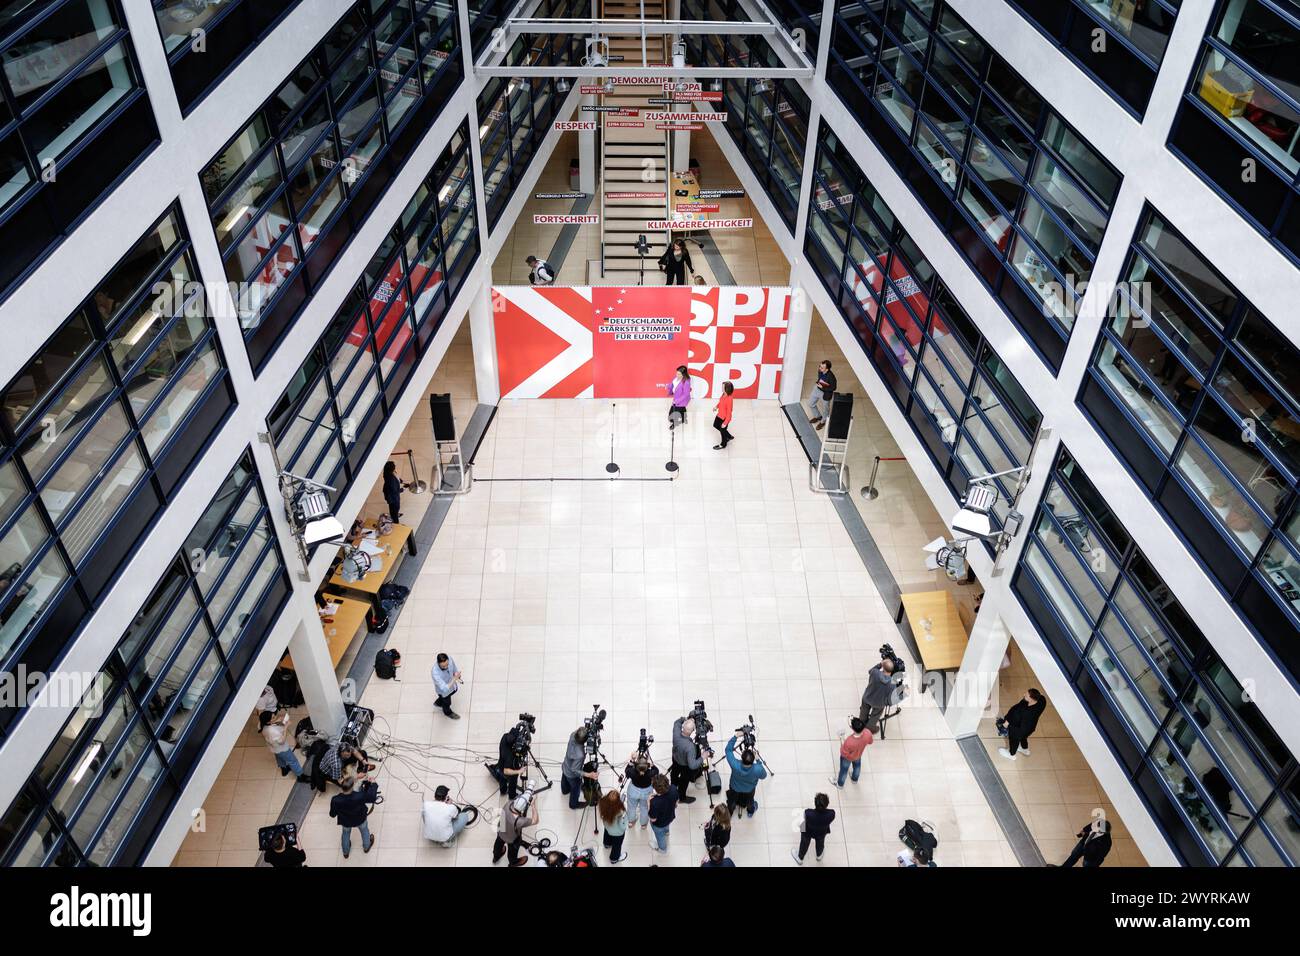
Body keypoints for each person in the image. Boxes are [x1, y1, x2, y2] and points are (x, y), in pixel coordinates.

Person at [328, 772, 377, 858]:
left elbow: (332, 814)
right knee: (364, 831)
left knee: (345, 834)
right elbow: (372, 797)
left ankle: (346, 852)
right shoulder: (360, 796)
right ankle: (366, 846)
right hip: (360, 819)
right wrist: (373, 784)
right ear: (352, 786)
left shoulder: (335, 799)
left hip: (345, 821)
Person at [724, 734, 768, 817]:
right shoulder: (757, 769)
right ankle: (750, 811)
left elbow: (728, 750)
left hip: (734, 787)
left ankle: (729, 813)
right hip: (749, 789)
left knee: (731, 801)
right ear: (752, 760)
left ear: (741, 758)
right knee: (750, 801)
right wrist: (758, 761)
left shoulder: (735, 764)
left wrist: (735, 736)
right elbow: (764, 776)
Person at [998, 688, 1047, 761]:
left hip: (1018, 729)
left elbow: (1013, 717)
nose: (1024, 695)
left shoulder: (1024, 711)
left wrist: (1005, 724)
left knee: (1014, 740)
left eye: (1026, 695)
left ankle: (1011, 754)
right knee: (1024, 737)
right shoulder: (1042, 701)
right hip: (1030, 728)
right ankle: (1025, 749)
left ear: (1031, 699)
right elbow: (1042, 696)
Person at [493, 791, 539, 866]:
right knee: (512, 851)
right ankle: (513, 862)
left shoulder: (508, 804)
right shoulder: (520, 821)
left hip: (501, 831)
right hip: (512, 839)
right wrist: (533, 805)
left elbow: (516, 799)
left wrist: (525, 794)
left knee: (498, 844)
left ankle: (496, 856)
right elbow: (535, 820)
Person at [670, 715, 709, 803]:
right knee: (684, 781)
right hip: (685, 765)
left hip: (675, 759)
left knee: (674, 773)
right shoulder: (690, 747)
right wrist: (702, 757)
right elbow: (692, 765)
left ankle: (673, 786)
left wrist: (685, 719)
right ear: (692, 731)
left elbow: (676, 722)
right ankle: (682, 797)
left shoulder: (676, 733)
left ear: (683, 727)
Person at [259, 708, 306, 780]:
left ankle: (284, 770)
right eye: (273, 717)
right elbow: (282, 741)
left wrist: (277, 721)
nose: (275, 716)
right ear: (268, 722)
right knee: (293, 761)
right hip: (282, 749)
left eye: (274, 715)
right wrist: (286, 727)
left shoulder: (262, 725)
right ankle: (300, 776)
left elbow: (271, 726)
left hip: (274, 748)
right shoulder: (272, 731)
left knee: (279, 758)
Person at [561, 725, 599, 809]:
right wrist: (590, 775)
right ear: (584, 741)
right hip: (572, 775)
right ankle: (574, 804)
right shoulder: (580, 754)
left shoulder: (572, 735)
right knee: (576, 788)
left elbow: (580, 732)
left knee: (565, 779)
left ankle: (565, 790)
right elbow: (574, 770)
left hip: (565, 765)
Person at [792, 793, 836, 864]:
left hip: (808, 831)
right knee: (820, 843)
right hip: (821, 832)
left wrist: (801, 828)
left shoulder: (808, 813)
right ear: (827, 804)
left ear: (815, 803)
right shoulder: (831, 814)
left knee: (804, 843)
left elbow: (803, 820)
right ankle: (819, 855)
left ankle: (800, 858)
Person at [487, 726, 527, 798]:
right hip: (506, 770)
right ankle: (512, 795)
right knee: (513, 778)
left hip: (500, 764)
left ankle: (503, 791)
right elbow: (506, 771)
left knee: (502, 778)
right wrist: (519, 771)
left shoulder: (505, 736)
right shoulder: (509, 755)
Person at [859, 658, 897, 732]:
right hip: (879, 703)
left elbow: (870, 671)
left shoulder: (875, 672)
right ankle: (869, 728)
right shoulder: (893, 683)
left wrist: (880, 664)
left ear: (883, 666)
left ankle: (861, 723)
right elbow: (890, 698)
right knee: (875, 716)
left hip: (867, 697)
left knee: (864, 711)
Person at [835, 717, 873, 788]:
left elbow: (844, 753)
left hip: (848, 758)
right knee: (857, 767)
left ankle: (840, 784)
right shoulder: (868, 733)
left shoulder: (849, 741)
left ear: (852, 728)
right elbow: (870, 742)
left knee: (844, 770)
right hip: (858, 755)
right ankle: (854, 779)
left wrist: (842, 739)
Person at [624, 750, 658, 829]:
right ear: (647, 766)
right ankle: (643, 825)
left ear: (636, 765)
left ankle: (631, 822)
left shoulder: (632, 772)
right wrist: (651, 763)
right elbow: (656, 771)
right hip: (646, 793)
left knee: (631, 807)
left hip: (633, 791)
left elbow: (627, 770)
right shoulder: (650, 773)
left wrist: (632, 760)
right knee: (644, 808)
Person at [647, 774, 679, 853]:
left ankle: (662, 849)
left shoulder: (654, 802)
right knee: (666, 825)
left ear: (656, 789)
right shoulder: (673, 788)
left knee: (660, 836)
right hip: (670, 816)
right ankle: (667, 832)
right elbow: (676, 803)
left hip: (659, 824)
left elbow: (653, 819)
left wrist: (648, 802)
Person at [598, 790, 629, 864]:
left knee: (607, 833)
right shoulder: (621, 811)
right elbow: (623, 827)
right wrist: (626, 817)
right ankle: (614, 858)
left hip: (607, 827)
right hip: (617, 833)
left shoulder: (602, 803)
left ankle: (607, 844)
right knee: (617, 845)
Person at [807, 360, 837, 430]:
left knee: (825, 410)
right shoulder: (820, 370)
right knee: (810, 404)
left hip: (826, 394)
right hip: (817, 389)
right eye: (820, 366)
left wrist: (823, 387)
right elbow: (820, 378)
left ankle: (823, 421)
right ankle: (818, 416)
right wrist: (818, 383)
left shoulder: (831, 377)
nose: (820, 368)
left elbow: (834, 387)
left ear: (827, 369)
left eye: (822, 367)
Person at [431, 652, 462, 719]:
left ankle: (438, 702)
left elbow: (454, 668)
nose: (446, 667)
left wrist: (456, 674)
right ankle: (448, 712)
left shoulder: (450, 659)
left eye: (447, 665)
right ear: (438, 663)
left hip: (451, 685)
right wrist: (454, 679)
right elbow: (444, 688)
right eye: (443, 666)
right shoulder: (435, 673)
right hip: (443, 691)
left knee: (447, 696)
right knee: (447, 702)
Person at [712, 380, 735, 450]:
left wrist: (725, 423)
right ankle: (729, 436)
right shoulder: (724, 394)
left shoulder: (729, 399)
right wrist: (716, 406)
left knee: (722, 431)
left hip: (724, 418)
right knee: (715, 425)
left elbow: (729, 413)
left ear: (727, 389)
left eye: (723, 387)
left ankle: (723, 444)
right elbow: (721, 402)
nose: (721, 389)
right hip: (719, 415)